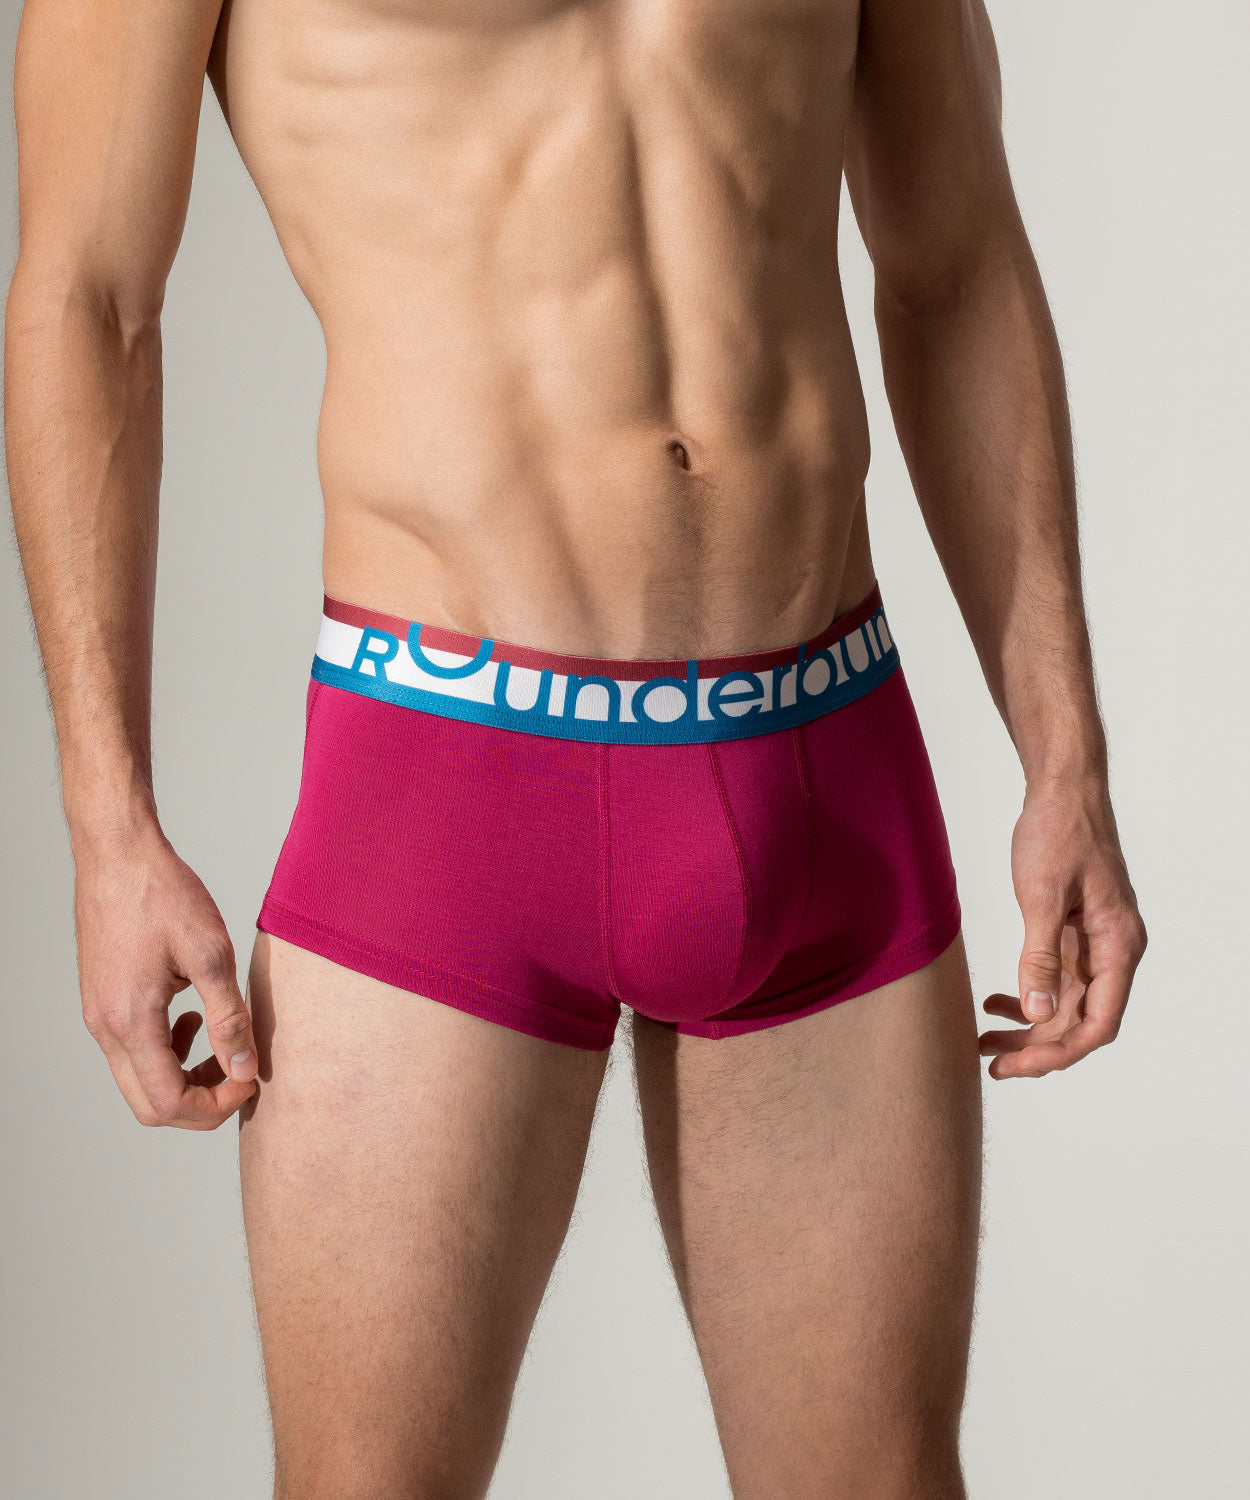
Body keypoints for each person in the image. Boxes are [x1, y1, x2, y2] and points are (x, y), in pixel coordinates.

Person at [4, 0, 1147, 1494]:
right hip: (446, 784)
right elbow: (87, 298)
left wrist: (1065, 762)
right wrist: (109, 827)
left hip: (823, 754)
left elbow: (957, 263)